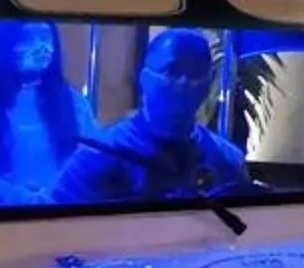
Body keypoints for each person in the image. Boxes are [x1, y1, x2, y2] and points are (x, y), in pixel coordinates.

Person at [51, 28, 249, 206]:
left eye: (196, 73)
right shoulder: (98, 157)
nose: (185, 83)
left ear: (208, 84)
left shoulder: (228, 159)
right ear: (144, 78)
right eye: (173, 71)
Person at [0, 19, 87, 205]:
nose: (42, 47)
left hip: (64, 209)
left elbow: (91, 160)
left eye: (47, 38)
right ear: (4, 46)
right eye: (28, 39)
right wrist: (24, 199)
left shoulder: (73, 101)